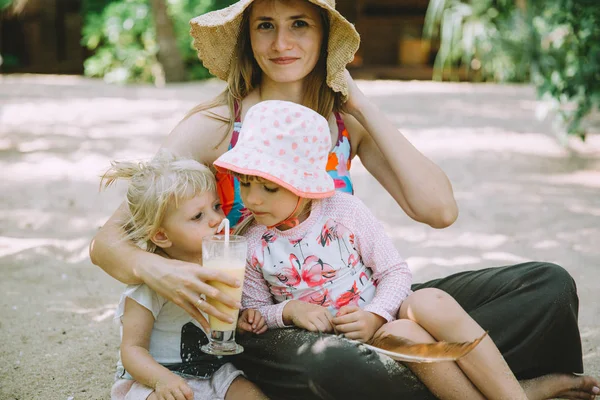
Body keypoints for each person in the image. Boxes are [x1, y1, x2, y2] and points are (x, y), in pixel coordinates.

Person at [89, 0, 599, 398]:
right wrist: (163, 272)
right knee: (339, 366)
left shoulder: (343, 123)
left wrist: (359, 103)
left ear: (326, 35)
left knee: (547, 287)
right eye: (265, 25)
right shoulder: (217, 125)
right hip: (274, 319)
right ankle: (503, 387)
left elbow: (439, 210)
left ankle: (442, 375)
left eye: (300, 25)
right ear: (248, 37)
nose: (281, 42)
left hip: (359, 305)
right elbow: (109, 241)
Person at [214, 98, 531, 400]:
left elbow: (394, 272)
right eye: (244, 183)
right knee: (407, 334)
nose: (252, 199)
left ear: (307, 186)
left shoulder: (344, 211)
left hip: (379, 310)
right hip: (341, 346)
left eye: (269, 188)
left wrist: (375, 314)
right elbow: (253, 312)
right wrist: (288, 311)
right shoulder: (254, 243)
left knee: (430, 301)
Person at [101, 151, 268, 400]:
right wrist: (162, 380)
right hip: (156, 377)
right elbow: (132, 349)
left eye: (216, 206)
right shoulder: (150, 284)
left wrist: (242, 321)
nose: (217, 220)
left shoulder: (222, 265)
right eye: (198, 216)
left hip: (213, 371)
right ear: (161, 236)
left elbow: (219, 322)